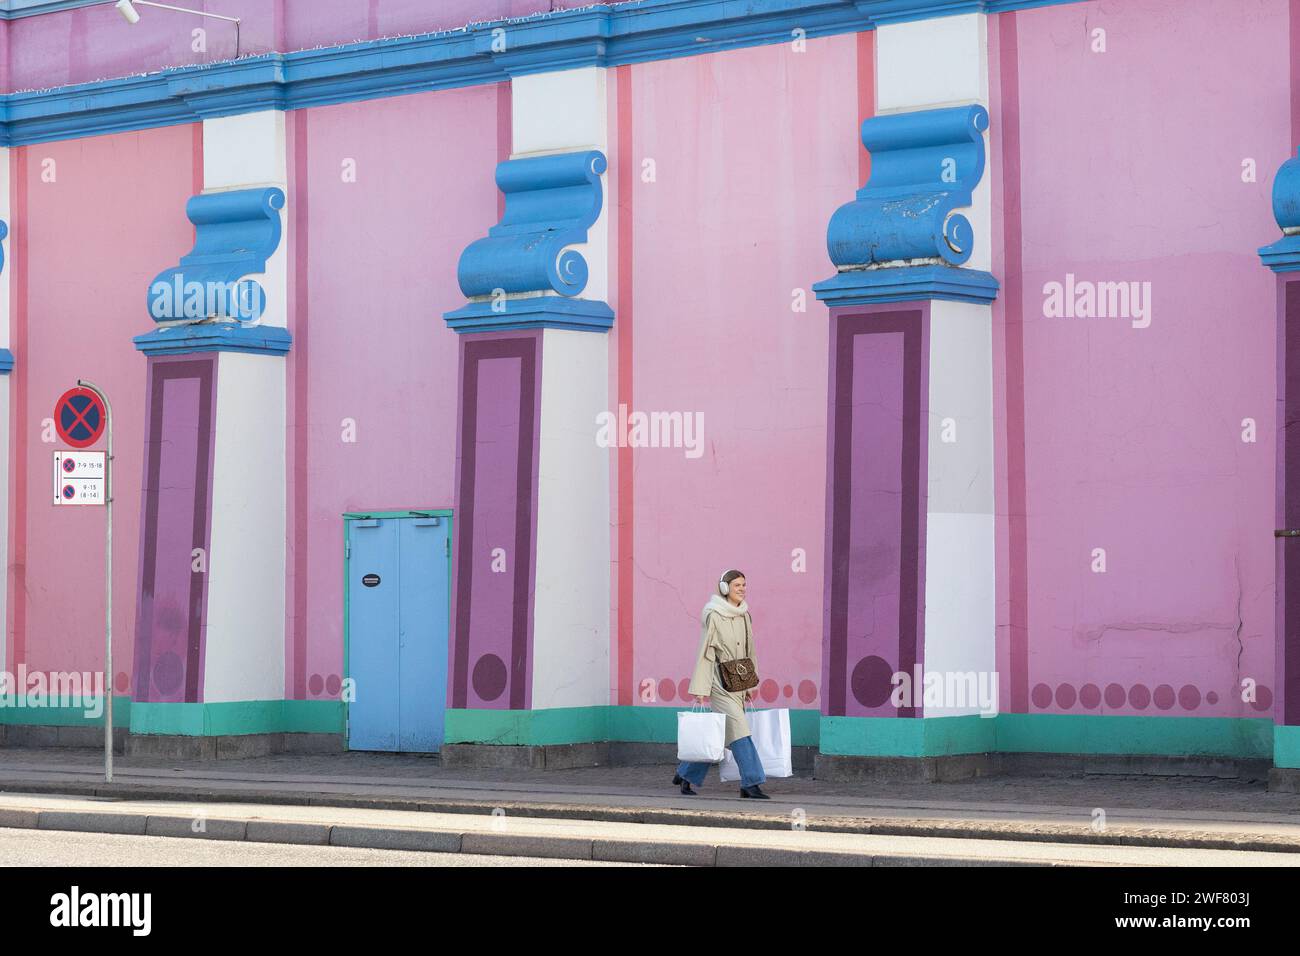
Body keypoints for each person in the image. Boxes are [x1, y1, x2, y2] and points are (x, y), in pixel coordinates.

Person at [672, 569, 769, 799]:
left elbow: (749, 651)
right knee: (740, 731)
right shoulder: (713, 614)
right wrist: (701, 690)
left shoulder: (745, 614)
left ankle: (685, 774)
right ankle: (751, 783)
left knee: (718, 735)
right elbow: (705, 654)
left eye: (744, 585)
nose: (742, 589)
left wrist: (749, 686)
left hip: (738, 681)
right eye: (737, 585)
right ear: (725, 588)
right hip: (718, 682)